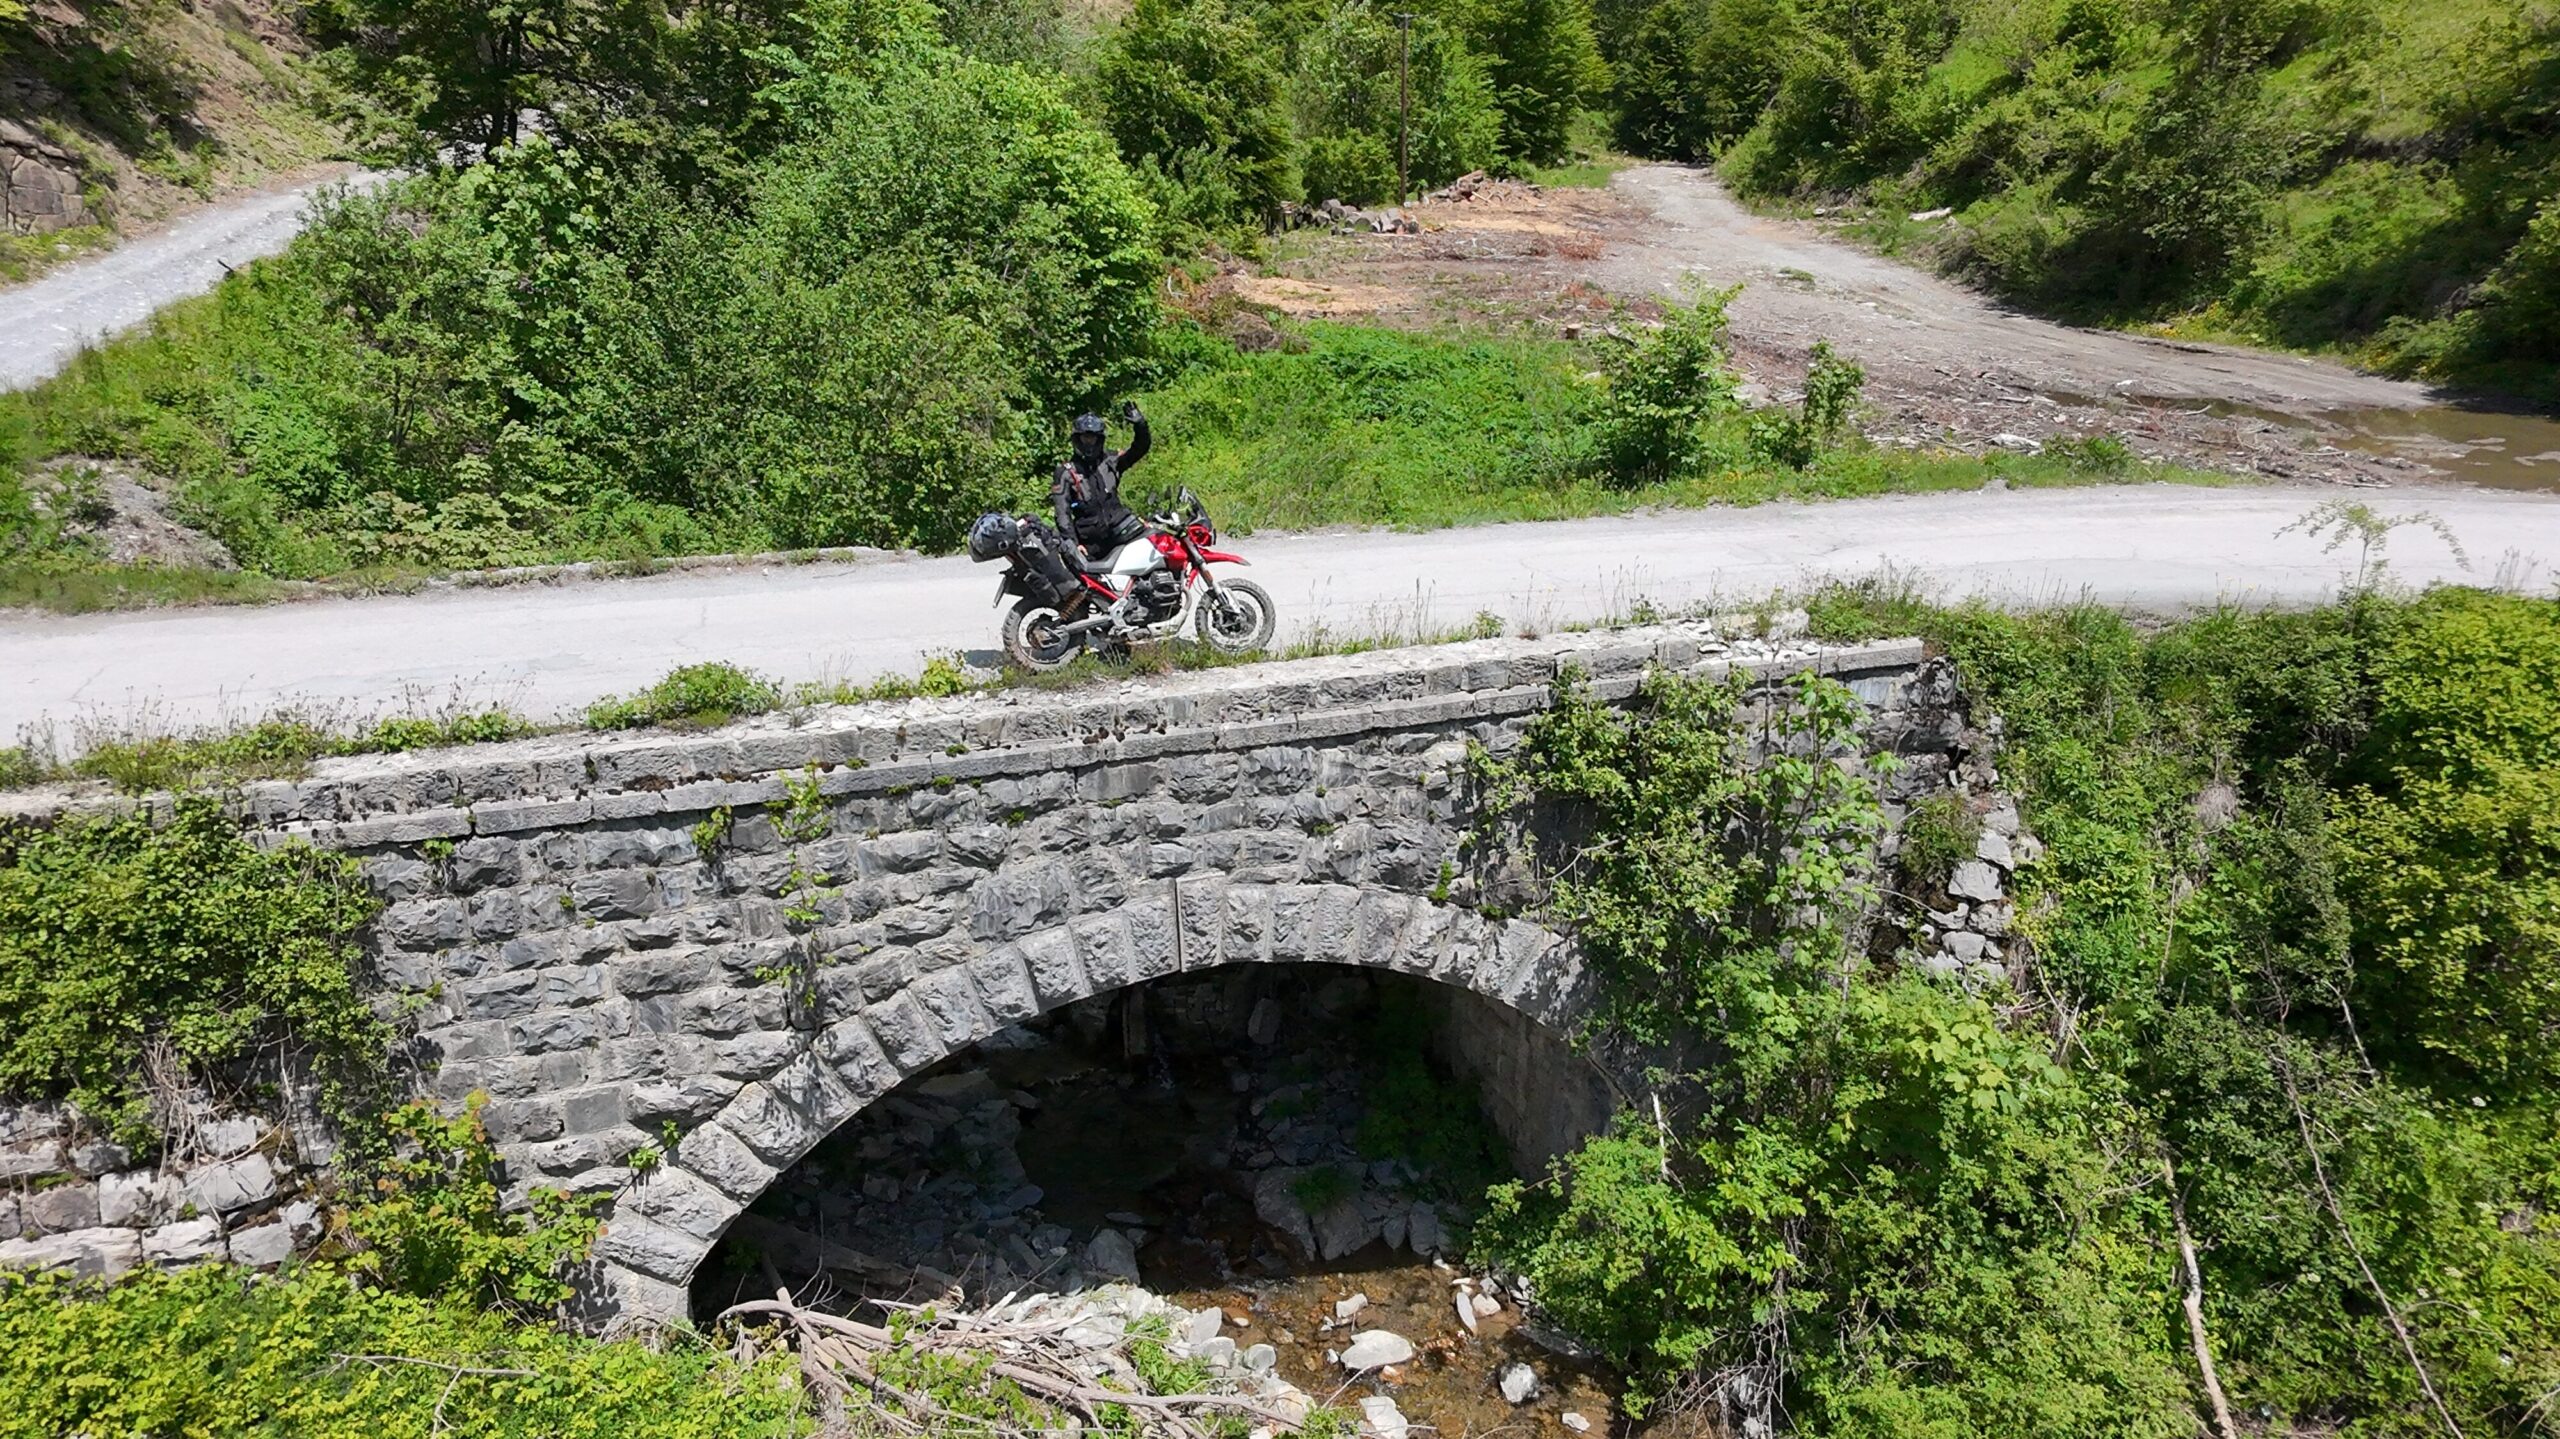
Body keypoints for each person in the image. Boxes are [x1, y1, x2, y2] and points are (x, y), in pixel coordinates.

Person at [1053, 403, 1151, 566]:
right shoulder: (1065, 473)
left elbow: (1140, 448)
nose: (1089, 443)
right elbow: (1062, 514)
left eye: (1093, 438)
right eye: (1086, 438)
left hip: (1121, 535)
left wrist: (1140, 425)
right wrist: (1073, 544)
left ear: (1100, 439)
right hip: (1090, 546)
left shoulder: (1111, 461)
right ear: (1077, 439)